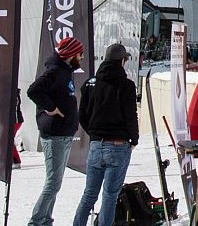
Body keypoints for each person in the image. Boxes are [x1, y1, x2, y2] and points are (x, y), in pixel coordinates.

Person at [72, 44, 137, 226]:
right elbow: (131, 116)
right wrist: (134, 139)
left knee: (89, 193)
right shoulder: (126, 86)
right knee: (110, 195)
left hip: (96, 145)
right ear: (122, 61)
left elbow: (82, 114)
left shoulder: (90, 83)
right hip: (118, 145)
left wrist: (93, 133)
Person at [25, 37, 84, 226]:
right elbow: (33, 90)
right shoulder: (56, 71)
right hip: (55, 134)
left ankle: (45, 220)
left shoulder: (65, 71)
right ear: (71, 55)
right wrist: (50, 108)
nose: (82, 57)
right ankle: (36, 222)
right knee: (53, 183)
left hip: (64, 133)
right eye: (79, 54)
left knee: (55, 183)